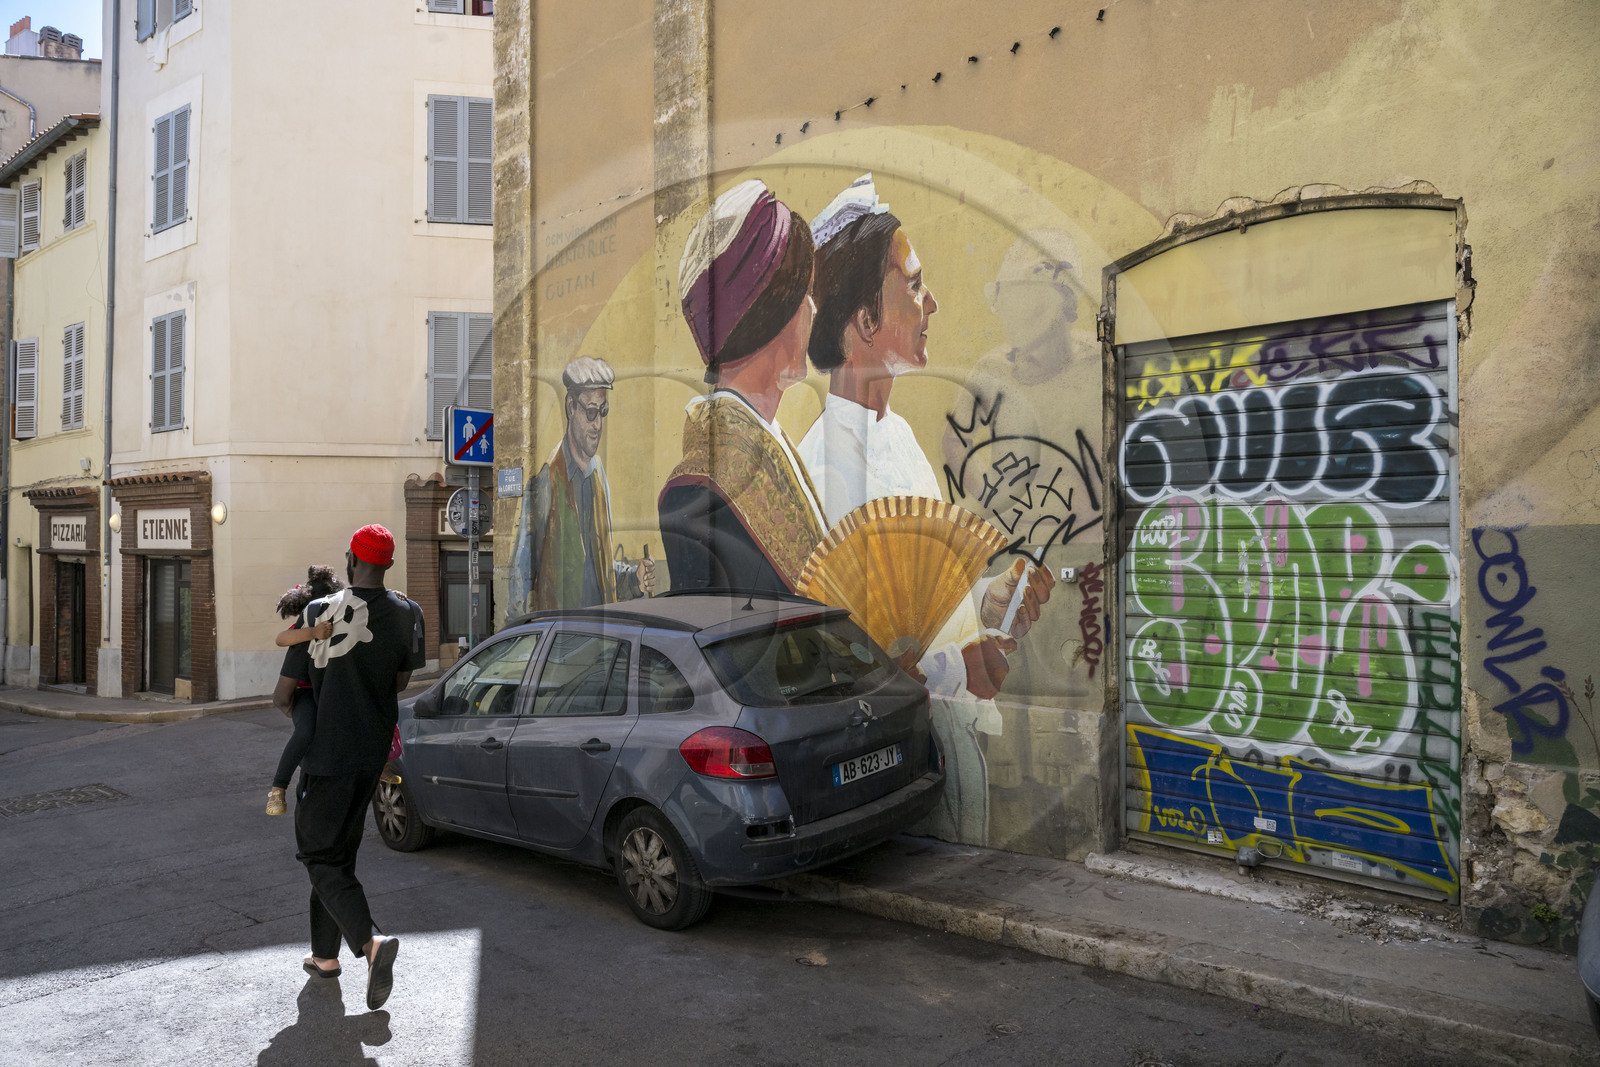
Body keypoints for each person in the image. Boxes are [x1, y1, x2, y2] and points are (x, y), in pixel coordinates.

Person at [797, 175, 1056, 845]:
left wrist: (986, 603)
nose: (932, 301)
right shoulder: (829, 465)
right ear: (863, 320)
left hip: (952, 735)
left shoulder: (901, 439)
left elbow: (921, 596)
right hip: (904, 755)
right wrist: (956, 664)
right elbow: (860, 645)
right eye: (913, 286)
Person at [275, 524, 423, 1011]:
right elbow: (400, 681)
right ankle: (325, 957)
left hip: (327, 755)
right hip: (372, 754)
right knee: (338, 856)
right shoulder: (409, 613)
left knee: (318, 856)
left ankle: (370, 943)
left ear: (350, 559)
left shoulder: (318, 611)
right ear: (389, 566)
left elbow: (282, 695)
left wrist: (308, 708)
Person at [658, 179, 827, 592]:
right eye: (805, 293)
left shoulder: (770, 441)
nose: (814, 308)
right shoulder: (702, 488)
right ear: (774, 312)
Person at [506, 356, 655, 616]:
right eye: (591, 412)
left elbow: (600, 572)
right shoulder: (545, 481)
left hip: (601, 642)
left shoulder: (599, 479)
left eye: (603, 412)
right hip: (561, 646)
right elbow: (520, 582)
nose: (597, 424)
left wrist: (635, 579)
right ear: (571, 407)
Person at [264, 566, 341, 816]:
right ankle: (278, 787)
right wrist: (313, 633)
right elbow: (281, 638)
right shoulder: (308, 620)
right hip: (305, 693)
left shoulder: (341, 617)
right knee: (306, 731)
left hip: (330, 690)